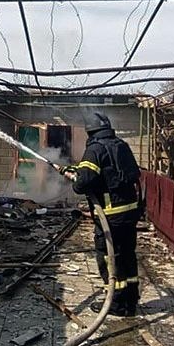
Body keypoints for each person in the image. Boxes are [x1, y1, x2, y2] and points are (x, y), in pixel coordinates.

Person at [68, 111, 142, 316]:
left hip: (110, 215)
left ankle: (117, 304)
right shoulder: (121, 145)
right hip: (130, 212)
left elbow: (83, 184)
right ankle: (131, 300)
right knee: (127, 255)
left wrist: (75, 178)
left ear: (90, 131)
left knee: (110, 258)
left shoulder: (95, 150)